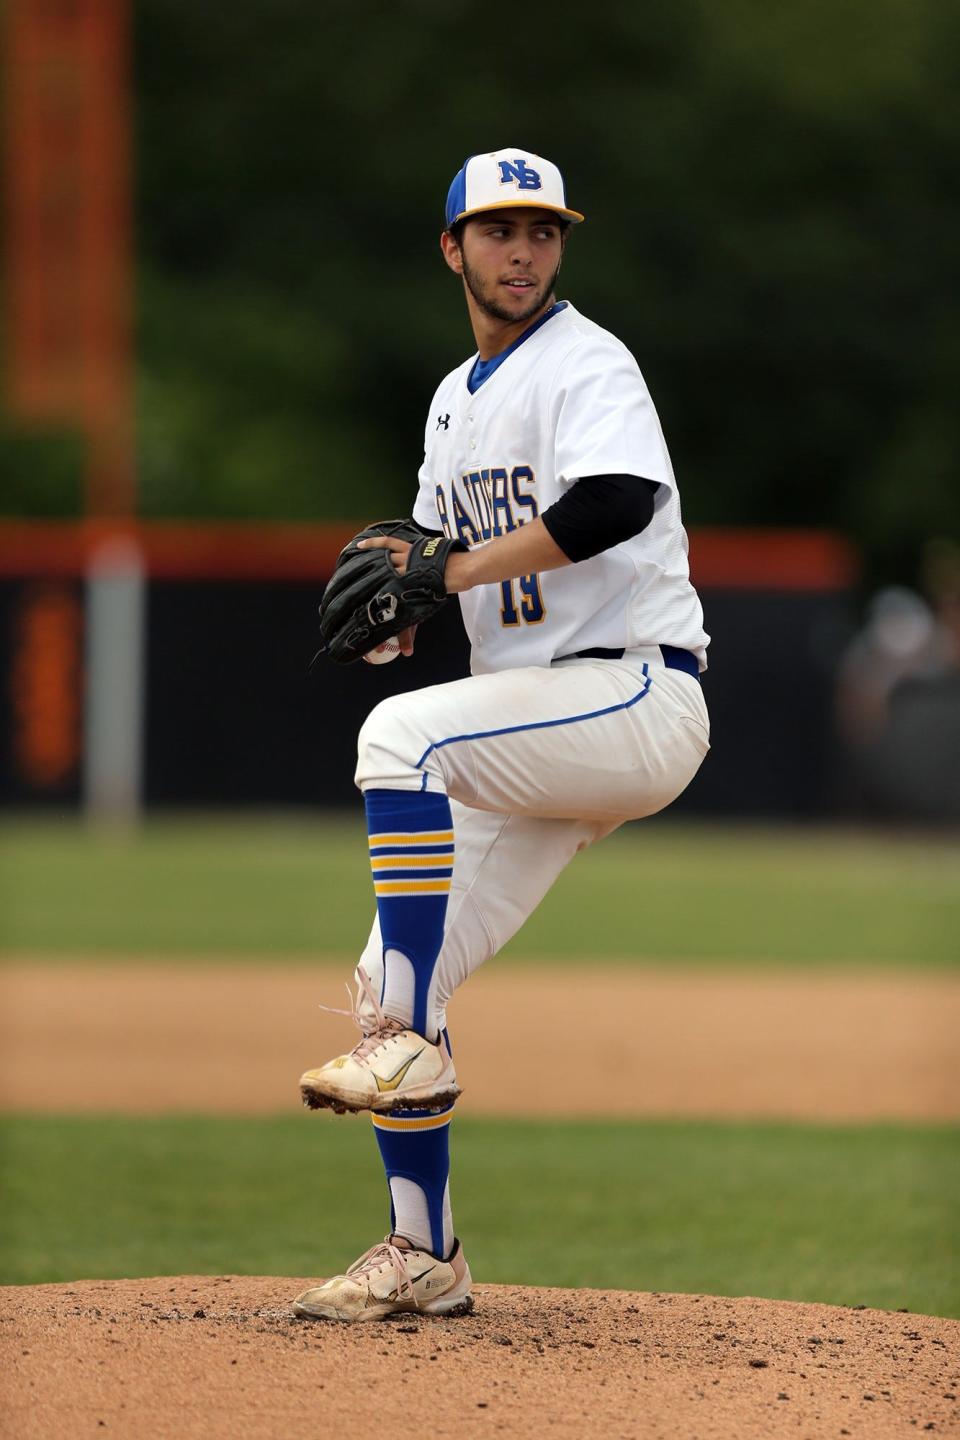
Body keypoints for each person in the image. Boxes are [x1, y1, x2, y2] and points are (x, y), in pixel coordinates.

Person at [292, 148, 711, 1322]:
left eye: (542, 231)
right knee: (388, 980)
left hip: (635, 691)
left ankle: (411, 1057)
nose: (522, 250)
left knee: (402, 744)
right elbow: (425, 570)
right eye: (498, 231)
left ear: (560, 247)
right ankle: (426, 1253)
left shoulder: (590, 363)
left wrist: (458, 566)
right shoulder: (449, 400)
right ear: (453, 248)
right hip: (532, 729)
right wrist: (398, 623)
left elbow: (613, 503)